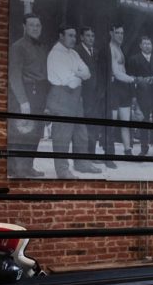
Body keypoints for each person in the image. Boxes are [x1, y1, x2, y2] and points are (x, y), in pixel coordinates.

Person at [46, 24, 98, 179]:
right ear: (61, 36)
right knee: (62, 134)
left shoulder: (74, 53)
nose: (73, 38)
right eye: (70, 35)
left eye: (74, 36)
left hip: (76, 97)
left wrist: (75, 73)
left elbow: (87, 73)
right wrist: (78, 74)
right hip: (61, 96)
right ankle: (62, 170)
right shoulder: (55, 54)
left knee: (81, 132)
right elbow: (71, 82)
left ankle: (82, 163)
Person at [8, 13, 48, 178]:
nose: (35, 28)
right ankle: (19, 169)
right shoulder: (18, 47)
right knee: (22, 131)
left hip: (38, 93)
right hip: (25, 93)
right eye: (31, 25)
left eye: (38, 25)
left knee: (35, 132)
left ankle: (27, 167)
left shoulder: (40, 47)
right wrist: (23, 101)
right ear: (24, 27)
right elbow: (14, 75)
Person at [76, 27, 115, 169]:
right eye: (87, 35)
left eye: (92, 36)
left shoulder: (97, 52)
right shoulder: (76, 51)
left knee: (93, 126)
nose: (91, 38)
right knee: (83, 128)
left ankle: (90, 155)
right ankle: (82, 158)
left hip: (96, 96)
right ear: (81, 37)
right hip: (82, 95)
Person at [127, 35, 153, 157]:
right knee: (143, 121)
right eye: (144, 44)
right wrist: (133, 97)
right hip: (141, 96)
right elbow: (131, 80)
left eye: (149, 44)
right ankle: (144, 148)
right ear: (140, 46)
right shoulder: (134, 59)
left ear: (152, 45)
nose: (147, 46)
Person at [107, 24, 138, 157]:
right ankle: (109, 151)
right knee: (112, 123)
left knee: (125, 121)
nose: (120, 35)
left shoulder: (119, 48)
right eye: (118, 33)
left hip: (124, 88)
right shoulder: (110, 49)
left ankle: (127, 150)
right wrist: (132, 79)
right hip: (114, 87)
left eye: (122, 33)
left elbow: (122, 70)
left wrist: (130, 82)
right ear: (111, 33)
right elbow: (116, 72)